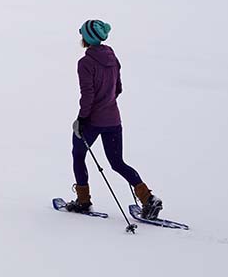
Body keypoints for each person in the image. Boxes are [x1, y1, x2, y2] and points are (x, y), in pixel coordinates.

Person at [63, 19, 163, 219]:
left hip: (92, 121)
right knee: (117, 162)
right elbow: (118, 89)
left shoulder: (85, 63)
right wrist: (106, 103)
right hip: (113, 120)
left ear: (86, 38)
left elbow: (87, 95)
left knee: (78, 154)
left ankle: (83, 201)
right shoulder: (112, 57)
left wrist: (82, 119)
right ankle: (148, 199)